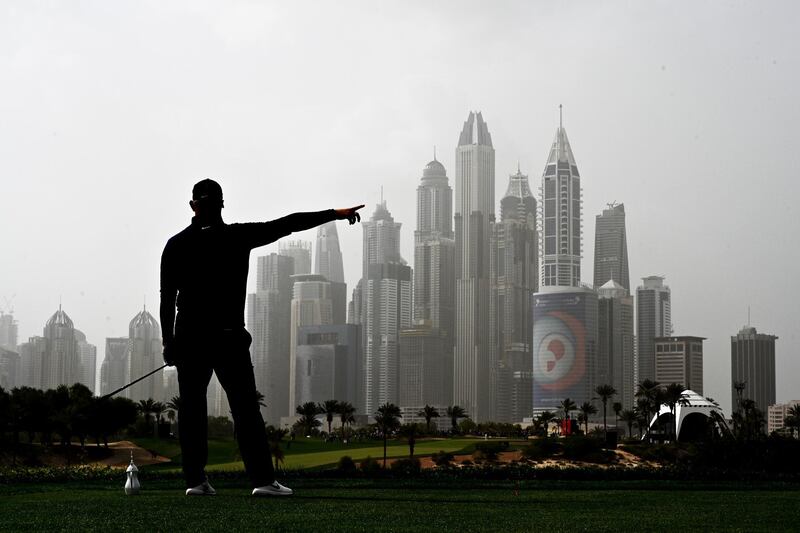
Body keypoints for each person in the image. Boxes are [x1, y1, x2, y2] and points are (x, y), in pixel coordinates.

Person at [159, 178, 362, 497]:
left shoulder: (177, 244)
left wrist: (168, 344)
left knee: (195, 411)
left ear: (193, 206)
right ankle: (261, 481)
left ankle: (197, 481)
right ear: (219, 204)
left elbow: (167, 298)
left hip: (192, 341)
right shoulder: (236, 236)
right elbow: (288, 224)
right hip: (225, 340)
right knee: (243, 410)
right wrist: (335, 214)